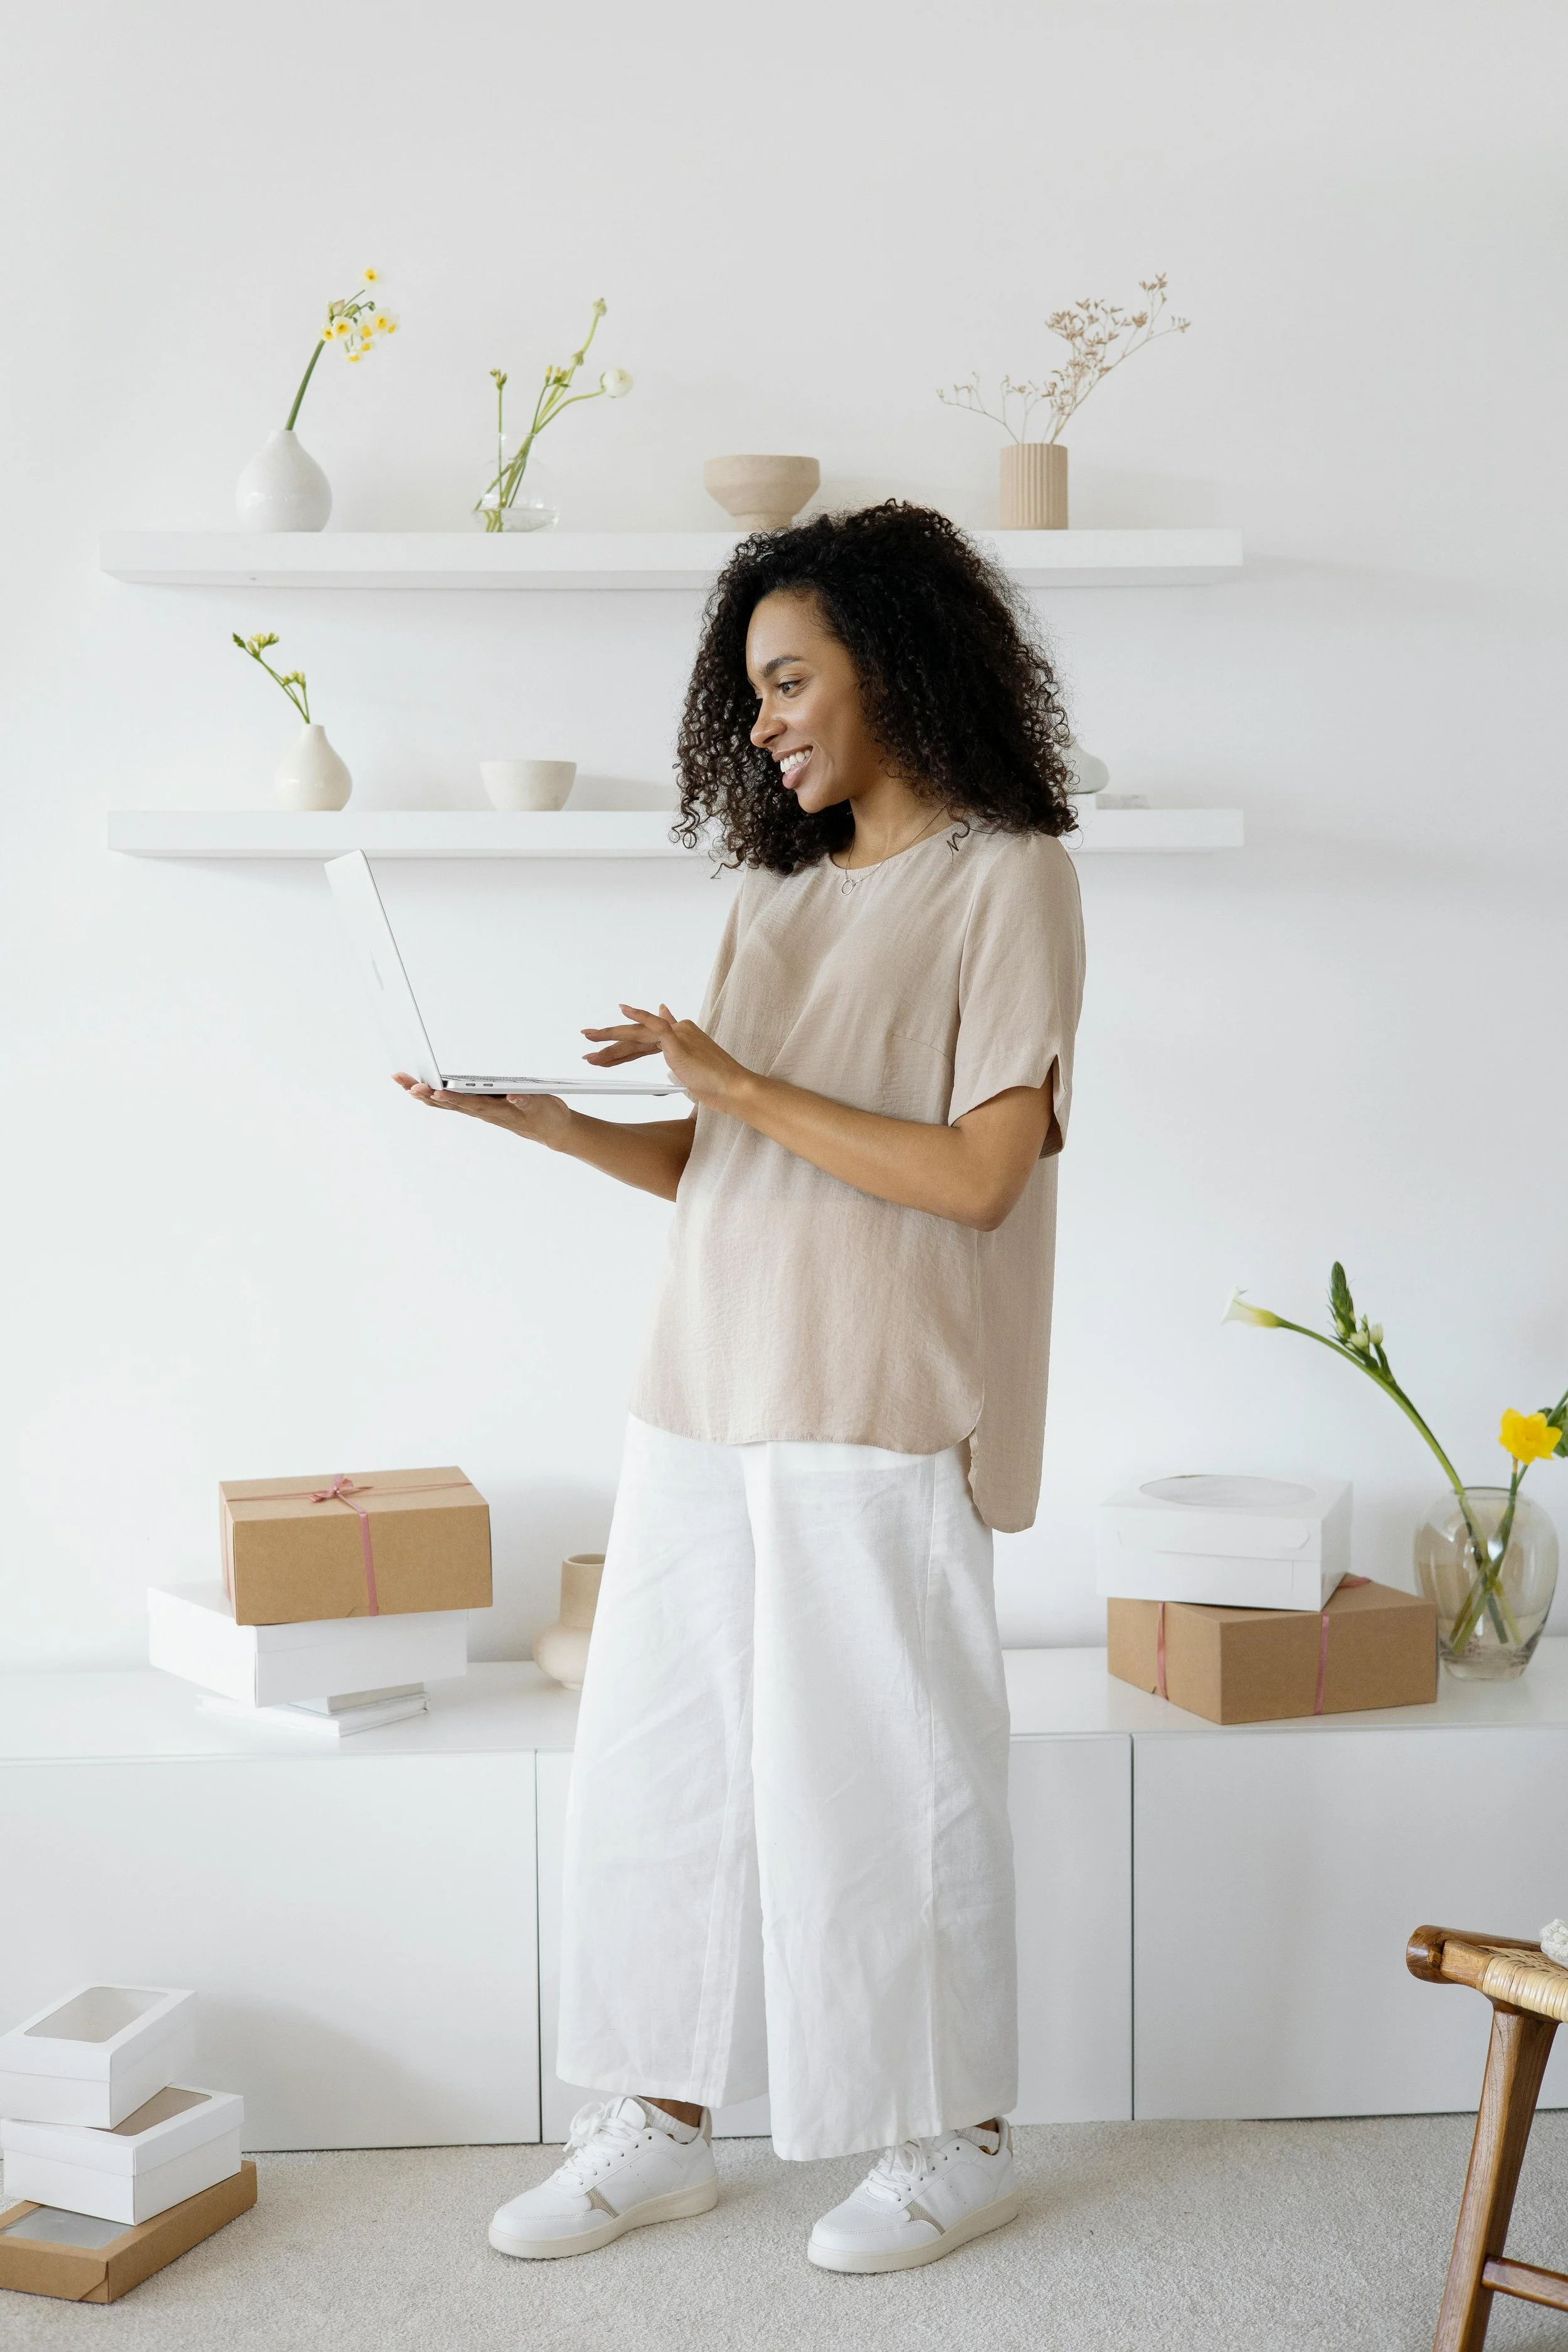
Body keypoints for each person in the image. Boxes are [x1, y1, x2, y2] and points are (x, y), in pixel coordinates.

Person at [396, 502, 1085, 2274]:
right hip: (703, 1377)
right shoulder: (765, 897)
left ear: (898, 664)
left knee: (886, 1773)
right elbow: (724, 1166)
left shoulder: (1008, 879)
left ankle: (953, 2134)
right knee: (660, 1767)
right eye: (749, 689)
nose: (765, 719)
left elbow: (974, 1176)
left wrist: (729, 1076)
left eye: (790, 678)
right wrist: (554, 1123)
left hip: (880, 1392)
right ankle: (658, 2118)